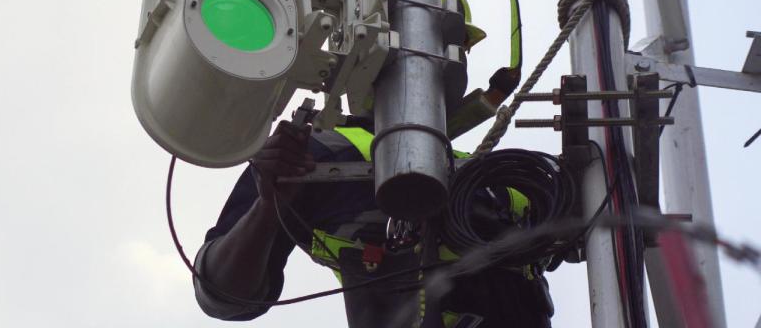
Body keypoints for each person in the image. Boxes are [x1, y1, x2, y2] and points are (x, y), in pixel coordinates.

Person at [192, 116, 554, 328]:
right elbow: (223, 295)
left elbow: (577, 227)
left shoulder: (502, 174)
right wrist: (268, 207)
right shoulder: (319, 153)